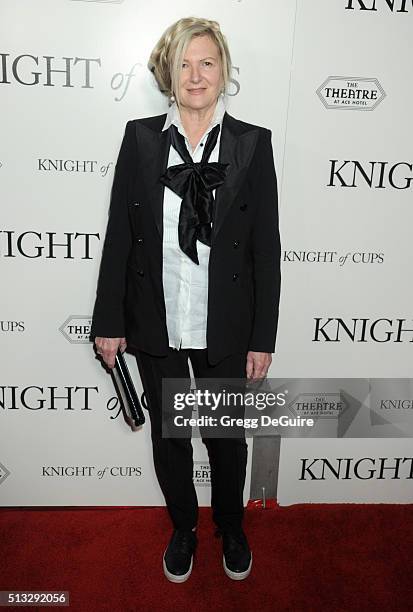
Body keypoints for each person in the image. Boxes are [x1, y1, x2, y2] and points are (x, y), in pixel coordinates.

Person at [91, 16, 281, 583]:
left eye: (207, 62)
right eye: (183, 63)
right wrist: (109, 320)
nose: (195, 75)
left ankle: (231, 524)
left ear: (223, 72)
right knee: (170, 437)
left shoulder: (252, 144)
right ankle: (182, 527)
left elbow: (267, 248)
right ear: (166, 74)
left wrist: (261, 337)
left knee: (227, 438)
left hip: (225, 324)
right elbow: (120, 236)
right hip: (158, 320)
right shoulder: (140, 139)